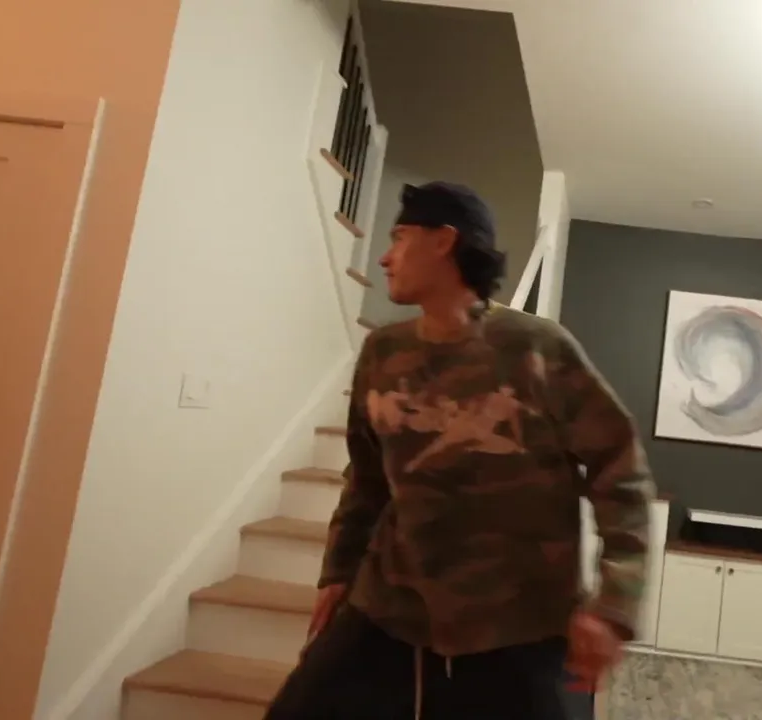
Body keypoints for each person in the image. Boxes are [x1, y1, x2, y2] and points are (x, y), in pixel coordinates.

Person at [264, 181, 655, 720]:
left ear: (444, 241)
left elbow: (622, 470)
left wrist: (614, 604)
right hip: (389, 610)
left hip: (521, 625)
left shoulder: (537, 349)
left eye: (400, 237)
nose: (384, 257)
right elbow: (368, 480)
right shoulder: (381, 352)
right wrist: (338, 572)